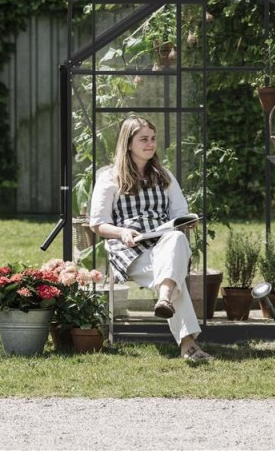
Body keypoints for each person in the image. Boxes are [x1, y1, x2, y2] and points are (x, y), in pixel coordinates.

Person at [89, 114, 213, 363]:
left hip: (162, 244)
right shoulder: (110, 178)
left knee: (177, 239)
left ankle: (165, 299)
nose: (150, 144)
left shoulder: (163, 176)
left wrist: (187, 221)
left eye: (153, 138)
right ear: (128, 143)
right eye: (143, 139)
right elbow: (97, 223)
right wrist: (122, 232)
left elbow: (180, 213)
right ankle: (187, 343)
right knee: (172, 276)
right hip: (130, 249)